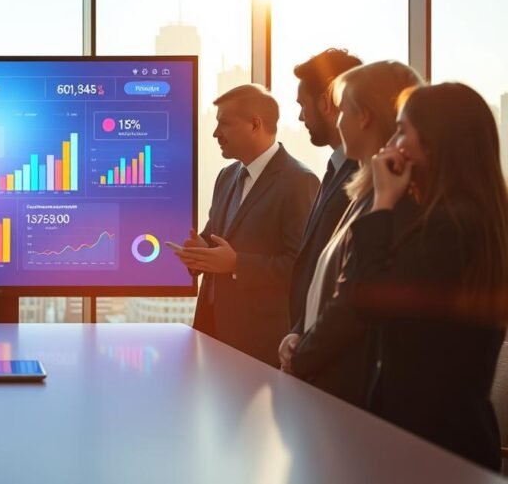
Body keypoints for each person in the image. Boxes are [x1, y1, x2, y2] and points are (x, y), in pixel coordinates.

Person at [344, 82, 508, 468]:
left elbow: (368, 299)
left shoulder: (450, 228)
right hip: (450, 437)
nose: (393, 142)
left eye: (402, 130)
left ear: (433, 143)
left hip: (429, 444)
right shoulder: (477, 219)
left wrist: (383, 202)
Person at [282, 61, 424, 406]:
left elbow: (358, 299)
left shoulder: (390, 200)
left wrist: (303, 356)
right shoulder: (366, 190)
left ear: (364, 117)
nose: (337, 119)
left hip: (351, 398)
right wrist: (301, 334)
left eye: (343, 110)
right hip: (330, 383)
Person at [180, 84, 319, 366]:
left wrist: (236, 265)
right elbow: (215, 237)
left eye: (224, 124)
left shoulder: (299, 182)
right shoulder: (227, 176)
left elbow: (301, 266)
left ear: (255, 124)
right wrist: (200, 251)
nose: (215, 133)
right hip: (212, 336)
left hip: (260, 347)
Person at [283, 49, 362, 344]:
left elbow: (350, 284)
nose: (301, 116)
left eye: (303, 105)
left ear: (327, 102)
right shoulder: (333, 169)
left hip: (332, 360)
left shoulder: (364, 179)